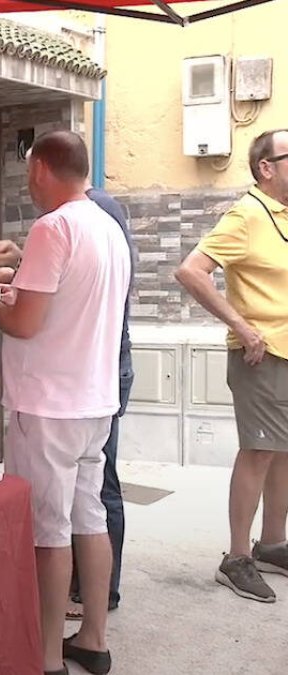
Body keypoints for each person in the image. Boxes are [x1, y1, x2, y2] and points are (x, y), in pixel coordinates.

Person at [0, 131, 130, 675]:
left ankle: (45, 656)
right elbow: (65, 300)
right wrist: (13, 288)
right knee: (90, 517)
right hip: (95, 400)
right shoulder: (107, 225)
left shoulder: (53, 226)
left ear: (39, 170)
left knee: (47, 530)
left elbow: (26, 323)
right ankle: (94, 639)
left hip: (49, 404)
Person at [174, 128, 288, 603]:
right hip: (260, 356)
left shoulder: (282, 215)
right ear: (267, 167)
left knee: (283, 452)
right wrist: (243, 328)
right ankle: (237, 557)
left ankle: (273, 544)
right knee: (259, 451)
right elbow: (190, 270)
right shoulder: (246, 214)